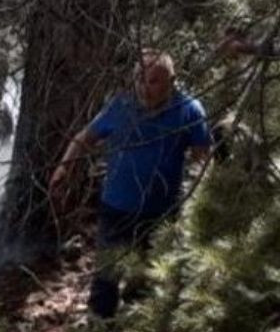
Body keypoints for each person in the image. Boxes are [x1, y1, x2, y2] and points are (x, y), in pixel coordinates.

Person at [50, 49, 212, 318]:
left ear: (172, 81)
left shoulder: (188, 111)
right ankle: (97, 331)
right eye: (140, 80)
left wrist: (200, 201)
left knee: (147, 278)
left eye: (153, 81)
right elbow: (84, 137)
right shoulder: (120, 107)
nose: (144, 89)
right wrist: (64, 168)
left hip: (161, 212)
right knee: (107, 275)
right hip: (116, 206)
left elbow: (202, 158)